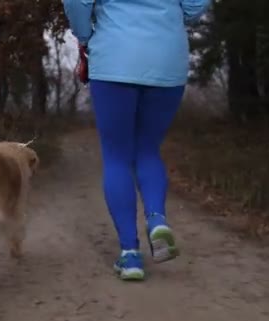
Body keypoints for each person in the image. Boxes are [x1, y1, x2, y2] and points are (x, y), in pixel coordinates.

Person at [62, 0, 211, 281]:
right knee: (148, 150)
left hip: (114, 58)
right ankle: (156, 220)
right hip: (168, 61)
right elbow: (195, 6)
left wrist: (85, 36)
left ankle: (130, 254)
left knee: (117, 156)